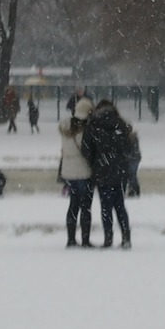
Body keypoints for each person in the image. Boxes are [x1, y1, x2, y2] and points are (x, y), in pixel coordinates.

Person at [81, 99, 135, 249]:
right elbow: (129, 147)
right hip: (119, 170)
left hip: (102, 171)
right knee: (120, 206)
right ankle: (126, 237)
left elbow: (86, 149)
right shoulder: (120, 124)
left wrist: (95, 163)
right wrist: (120, 161)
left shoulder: (93, 125)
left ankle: (108, 238)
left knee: (106, 207)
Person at [59, 98, 95, 248]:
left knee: (73, 205)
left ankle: (71, 239)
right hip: (84, 171)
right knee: (85, 207)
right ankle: (85, 240)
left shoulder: (66, 126)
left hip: (69, 172)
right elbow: (88, 151)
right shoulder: (86, 128)